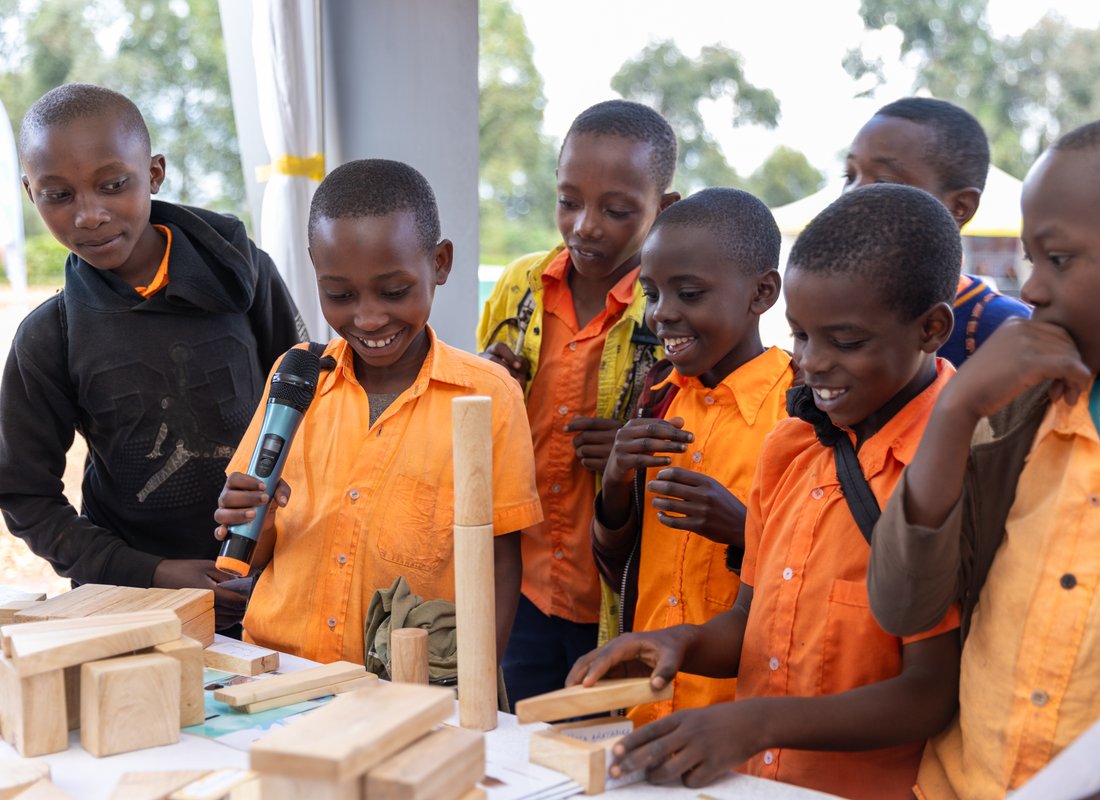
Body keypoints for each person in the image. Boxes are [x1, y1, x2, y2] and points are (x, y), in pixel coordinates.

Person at [572, 184, 964, 799]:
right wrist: (679, 642)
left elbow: (930, 694)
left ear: (931, 329)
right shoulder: (791, 445)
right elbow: (748, 624)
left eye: (847, 341)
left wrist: (752, 722)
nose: (810, 363)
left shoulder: (951, 467)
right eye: (802, 336)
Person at [867, 108, 1100, 799]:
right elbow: (903, 605)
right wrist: (956, 413)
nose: (1035, 288)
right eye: (1030, 261)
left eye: (1061, 258)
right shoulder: (1019, 415)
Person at [215, 159, 542, 665]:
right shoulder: (296, 377)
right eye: (340, 295)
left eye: (394, 292)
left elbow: (498, 563)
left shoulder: (488, 396)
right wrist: (251, 514)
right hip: (280, 678)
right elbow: (248, 557)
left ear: (440, 263)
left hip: (408, 694)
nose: (367, 318)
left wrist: (475, 694)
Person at [0, 83, 303, 627]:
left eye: (113, 185)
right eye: (58, 195)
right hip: (137, 605)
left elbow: (313, 403)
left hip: (278, 583)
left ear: (155, 174)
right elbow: (25, 495)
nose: (89, 215)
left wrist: (279, 536)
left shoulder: (244, 273)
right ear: (29, 192)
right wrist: (154, 572)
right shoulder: (50, 335)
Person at [476, 100, 679, 702]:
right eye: (569, 201)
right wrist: (486, 381)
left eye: (617, 210)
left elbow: (702, 438)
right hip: (524, 578)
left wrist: (626, 450)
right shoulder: (519, 287)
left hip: (622, 596)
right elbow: (473, 411)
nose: (586, 225)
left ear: (663, 209)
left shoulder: (669, 312)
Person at [592, 187, 795, 727]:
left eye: (689, 294)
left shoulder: (801, 413)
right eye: (652, 293)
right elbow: (619, 566)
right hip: (646, 705)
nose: (663, 315)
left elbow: (820, 573)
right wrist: (615, 479)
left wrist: (742, 530)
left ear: (761, 294)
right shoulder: (658, 396)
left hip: (742, 719)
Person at [844, 96, 1029, 365]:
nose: (852, 194)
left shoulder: (1002, 330)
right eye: (849, 176)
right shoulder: (831, 307)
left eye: (883, 180)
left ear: (959, 207)